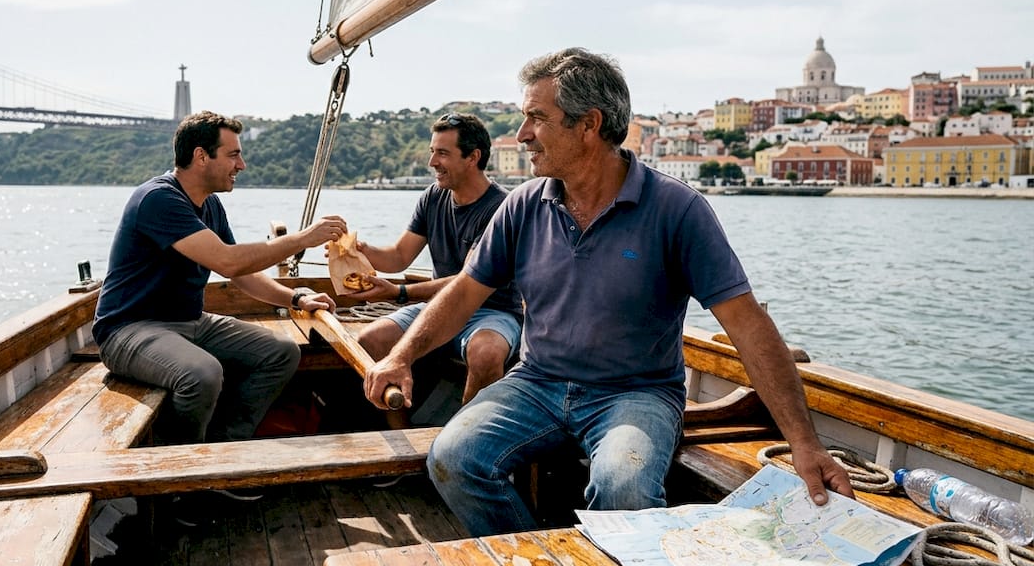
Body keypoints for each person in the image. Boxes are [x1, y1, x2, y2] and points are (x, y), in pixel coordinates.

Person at [363, 48, 853, 536]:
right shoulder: (524, 206)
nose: (522, 135)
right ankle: (537, 558)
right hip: (537, 382)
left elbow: (749, 327)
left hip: (636, 395)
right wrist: (401, 356)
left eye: (536, 117)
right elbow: (466, 291)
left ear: (589, 124)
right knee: (452, 459)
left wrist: (805, 445)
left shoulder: (677, 210)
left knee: (624, 491)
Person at [93, 110, 346, 446]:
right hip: (129, 330)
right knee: (203, 373)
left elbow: (241, 271)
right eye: (233, 155)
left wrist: (296, 299)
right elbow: (227, 261)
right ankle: (185, 468)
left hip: (189, 322)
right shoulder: (158, 199)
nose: (241, 165)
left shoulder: (210, 205)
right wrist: (301, 239)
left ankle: (227, 444)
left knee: (283, 352)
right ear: (201, 156)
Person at [345, 112, 523, 418]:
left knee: (486, 354)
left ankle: (463, 441)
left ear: (473, 157)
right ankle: (402, 437)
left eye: (442, 153)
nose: (432, 163)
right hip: (439, 308)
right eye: (432, 152)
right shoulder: (434, 197)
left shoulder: (501, 209)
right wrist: (357, 251)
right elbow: (399, 256)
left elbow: (465, 281)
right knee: (370, 341)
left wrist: (398, 292)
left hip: (492, 312)